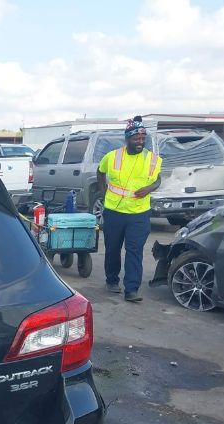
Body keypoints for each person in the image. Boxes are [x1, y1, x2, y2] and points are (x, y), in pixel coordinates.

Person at [96, 116, 162, 302]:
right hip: (114, 212)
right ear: (127, 138)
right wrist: (103, 194)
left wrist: (149, 188)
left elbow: (158, 179)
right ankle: (111, 280)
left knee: (134, 251)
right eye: (136, 138)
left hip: (139, 213)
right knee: (112, 249)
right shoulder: (112, 156)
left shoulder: (152, 159)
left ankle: (132, 289)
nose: (140, 142)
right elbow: (100, 172)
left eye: (143, 138)